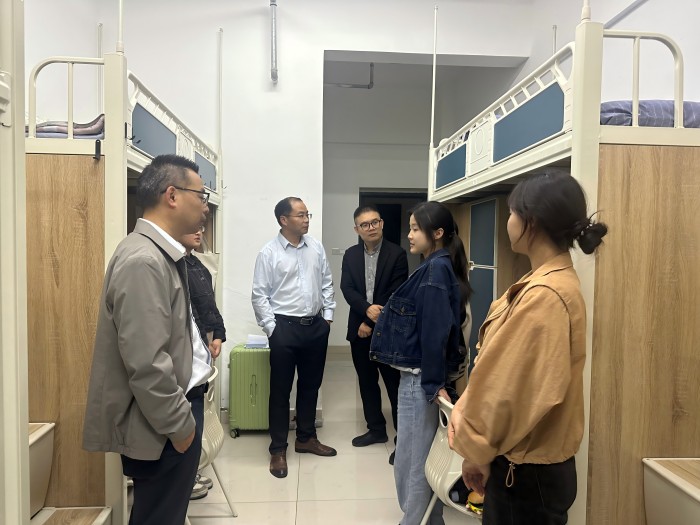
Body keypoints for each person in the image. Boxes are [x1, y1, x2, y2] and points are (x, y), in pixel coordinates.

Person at [447, 172, 608, 525]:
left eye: (511, 212)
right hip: (524, 467)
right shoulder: (543, 281)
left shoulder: (546, 295)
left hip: (526, 475)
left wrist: (476, 451)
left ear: (530, 222)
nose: (508, 221)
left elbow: (508, 391)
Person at [83, 154, 211, 524]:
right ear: (172, 195)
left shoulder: (162, 254)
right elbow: (147, 364)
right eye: (201, 196)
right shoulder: (144, 260)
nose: (205, 206)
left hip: (169, 416)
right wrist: (180, 426)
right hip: (163, 424)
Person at [369, 201, 473, 525]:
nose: (410, 235)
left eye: (416, 229)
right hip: (420, 379)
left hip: (420, 381)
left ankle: (413, 520)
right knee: (417, 456)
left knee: (413, 460)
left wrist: (432, 385)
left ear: (437, 233)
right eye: (411, 228)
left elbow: (434, 333)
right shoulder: (435, 266)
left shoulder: (435, 270)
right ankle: (429, 520)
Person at [251, 197, 337, 479]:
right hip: (284, 328)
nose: (306, 219)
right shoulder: (269, 253)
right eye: (300, 215)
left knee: (311, 386)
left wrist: (327, 318)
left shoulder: (316, 248)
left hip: (315, 327)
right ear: (283, 220)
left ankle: (306, 438)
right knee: (280, 391)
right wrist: (272, 329)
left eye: (307, 214)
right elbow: (259, 295)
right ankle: (278, 449)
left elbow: (327, 282)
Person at [340, 205, 407, 464]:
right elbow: (347, 289)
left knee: (394, 384)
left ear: (382, 223)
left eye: (375, 222)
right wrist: (366, 312)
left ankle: (403, 439)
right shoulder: (351, 255)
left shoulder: (397, 253)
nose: (371, 228)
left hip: (387, 330)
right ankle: (376, 429)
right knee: (367, 382)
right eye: (365, 224)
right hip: (359, 330)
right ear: (356, 229)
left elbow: (396, 291)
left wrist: (370, 320)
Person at [182, 226, 226, 499]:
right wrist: (204, 342)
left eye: (201, 228)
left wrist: (218, 334)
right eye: (193, 228)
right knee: (189, 415)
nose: (199, 232)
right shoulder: (173, 266)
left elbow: (209, 305)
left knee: (199, 412)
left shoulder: (197, 264)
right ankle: (186, 477)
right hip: (191, 348)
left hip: (204, 345)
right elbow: (190, 315)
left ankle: (192, 471)